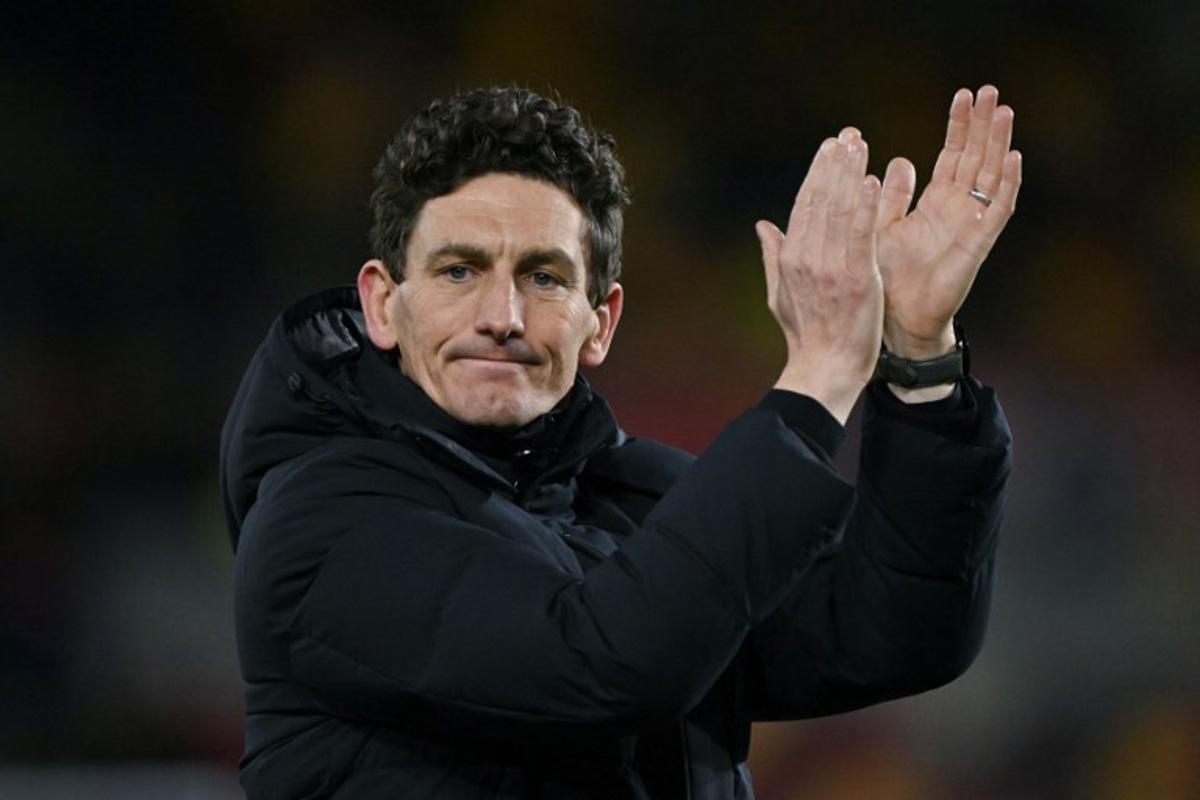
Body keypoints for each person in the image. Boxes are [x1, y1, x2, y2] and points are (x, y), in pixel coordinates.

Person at [221, 85, 1019, 799]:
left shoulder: (638, 499)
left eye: (544, 277)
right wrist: (819, 378)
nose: (501, 317)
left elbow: (896, 636)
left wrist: (919, 359)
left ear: (600, 322)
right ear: (383, 304)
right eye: (459, 271)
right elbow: (597, 667)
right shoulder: (321, 521)